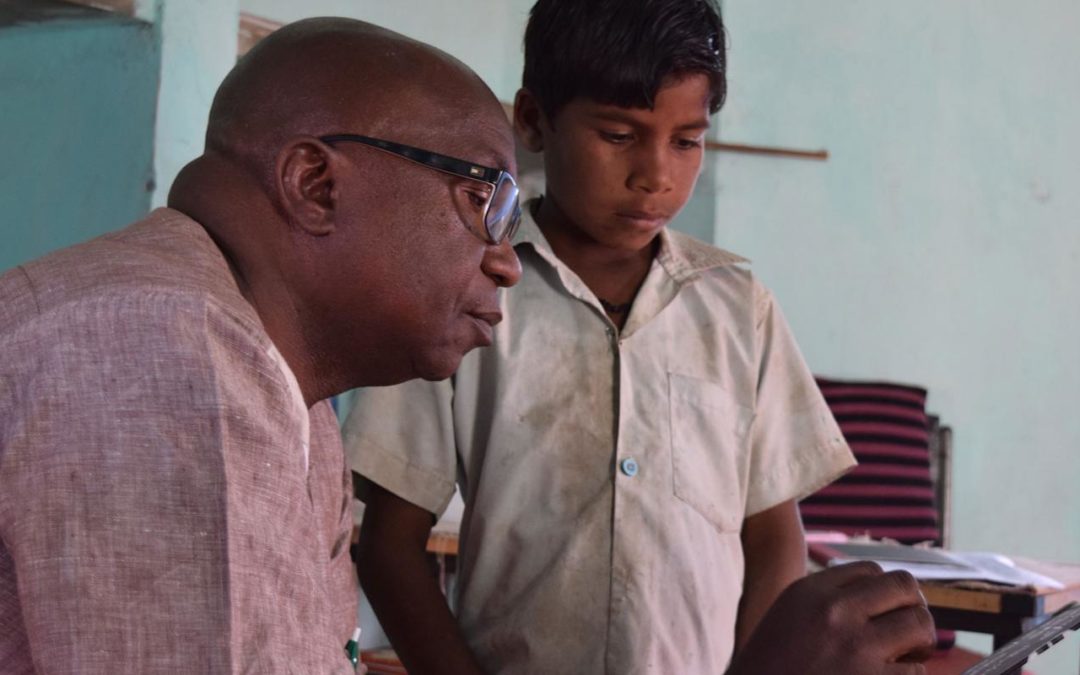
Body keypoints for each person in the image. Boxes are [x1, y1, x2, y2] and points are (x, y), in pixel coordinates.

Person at [345, 1, 936, 674]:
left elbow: (773, 535)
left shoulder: (740, 310)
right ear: (534, 120)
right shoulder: (469, 295)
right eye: (620, 135)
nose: (656, 174)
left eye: (686, 140)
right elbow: (391, 545)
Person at [0, 17, 522, 673]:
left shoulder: (291, 393)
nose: (507, 263)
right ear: (315, 185)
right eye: (483, 200)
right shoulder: (168, 354)